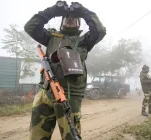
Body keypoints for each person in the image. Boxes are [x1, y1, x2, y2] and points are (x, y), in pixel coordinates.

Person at [24, 1, 106, 140]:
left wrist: (84, 12)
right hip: (46, 93)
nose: (70, 19)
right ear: (61, 22)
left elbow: (100, 31)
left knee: (71, 137)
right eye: (66, 17)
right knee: (36, 136)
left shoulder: (84, 41)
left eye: (74, 17)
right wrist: (53, 11)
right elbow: (30, 27)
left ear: (79, 24)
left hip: (70, 97)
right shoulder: (51, 37)